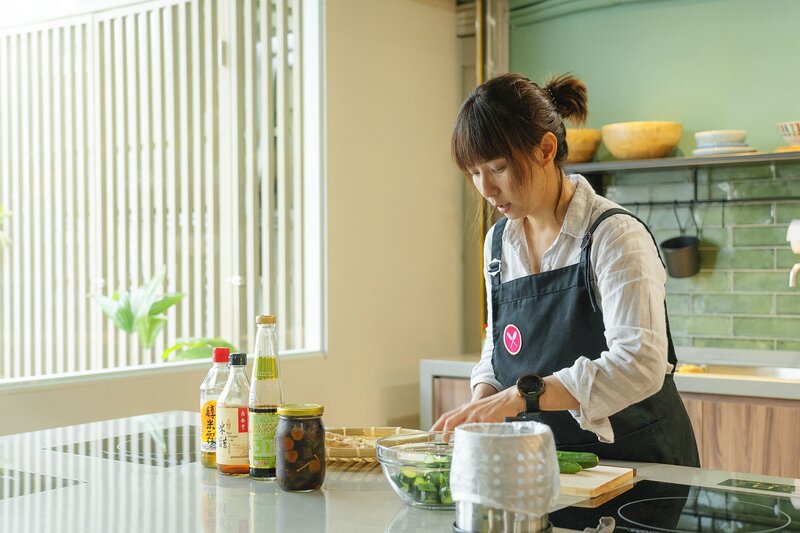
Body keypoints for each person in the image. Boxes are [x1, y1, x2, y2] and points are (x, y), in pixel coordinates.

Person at [432, 73, 699, 466]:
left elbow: (639, 363)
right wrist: (480, 403)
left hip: (639, 466)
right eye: (474, 173)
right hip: (549, 465)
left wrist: (521, 396)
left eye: (498, 167)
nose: (485, 189)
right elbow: (500, 346)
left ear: (545, 149)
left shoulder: (613, 235)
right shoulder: (498, 243)